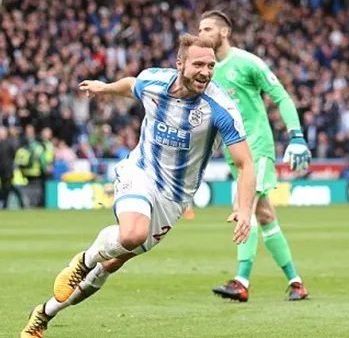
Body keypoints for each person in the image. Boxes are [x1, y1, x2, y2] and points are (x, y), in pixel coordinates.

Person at [20, 34, 256, 338]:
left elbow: (245, 164)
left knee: (114, 262)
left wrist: (245, 209)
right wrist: (104, 88)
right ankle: (83, 260)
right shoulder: (154, 82)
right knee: (132, 233)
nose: (206, 72)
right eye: (198, 64)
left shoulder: (220, 107)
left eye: (211, 65)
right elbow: (131, 84)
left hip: (174, 198)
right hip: (141, 171)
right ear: (180, 64)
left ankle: (43, 314)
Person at [199, 10, 311, 302]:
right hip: (234, 153)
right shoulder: (206, 72)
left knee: (243, 205)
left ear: (224, 32)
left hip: (258, 149)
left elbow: (281, 96)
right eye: (199, 29)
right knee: (265, 215)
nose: (201, 34)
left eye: (208, 28)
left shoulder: (247, 63)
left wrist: (296, 136)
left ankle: (241, 280)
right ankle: (296, 283)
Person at [0, 126, 25, 208]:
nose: (0, 135)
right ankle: (7, 203)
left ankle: (17, 202)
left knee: (9, 186)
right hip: (1, 169)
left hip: (8, 169)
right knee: (5, 187)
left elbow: (14, 155)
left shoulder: (10, 143)